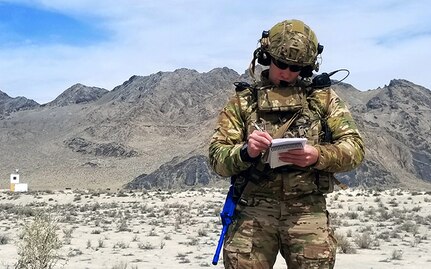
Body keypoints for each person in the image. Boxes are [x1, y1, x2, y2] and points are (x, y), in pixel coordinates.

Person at [209, 19, 365, 269]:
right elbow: (217, 157)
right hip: (253, 210)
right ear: (266, 57)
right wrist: (246, 152)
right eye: (281, 64)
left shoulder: (322, 100)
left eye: (296, 68)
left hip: (307, 209)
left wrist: (317, 155)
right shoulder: (243, 102)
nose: (287, 73)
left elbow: (355, 149)